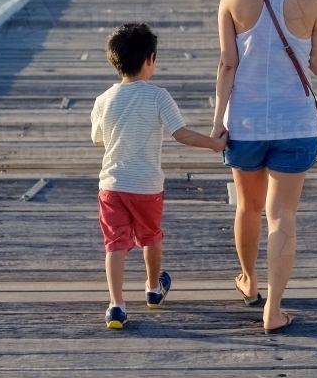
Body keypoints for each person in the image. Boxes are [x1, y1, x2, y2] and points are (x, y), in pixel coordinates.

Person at [211, 0, 317, 333]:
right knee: (283, 215)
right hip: (295, 122)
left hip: (243, 121)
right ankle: (273, 310)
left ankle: (248, 281)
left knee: (248, 206)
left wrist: (217, 122)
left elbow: (228, 63)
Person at [92, 23, 227, 330]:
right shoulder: (158, 96)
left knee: (115, 244)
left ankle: (116, 305)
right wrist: (215, 143)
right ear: (150, 59)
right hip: (146, 185)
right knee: (150, 237)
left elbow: (97, 139)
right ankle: (154, 288)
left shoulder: (103, 100)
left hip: (111, 185)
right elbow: (181, 134)